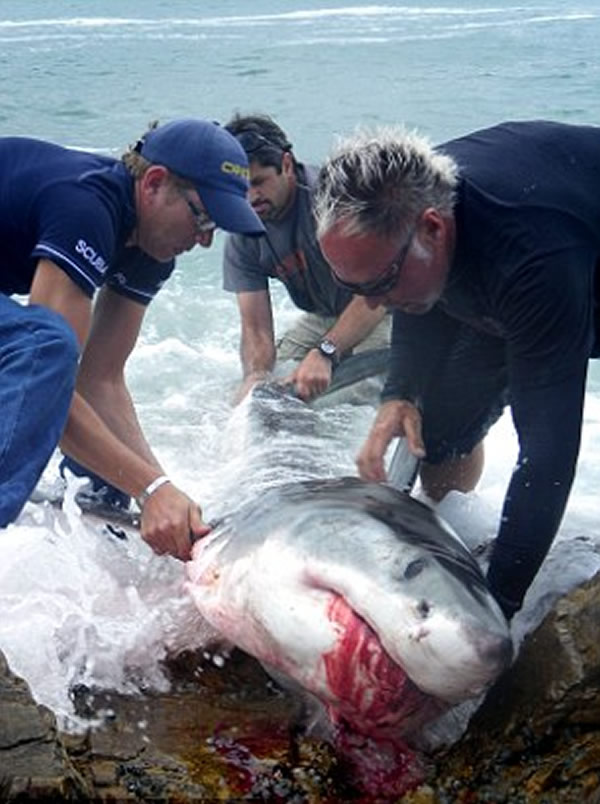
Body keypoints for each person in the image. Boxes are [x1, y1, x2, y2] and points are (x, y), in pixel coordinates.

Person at [313, 120, 600, 620]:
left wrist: (494, 610)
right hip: (504, 269)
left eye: (379, 282)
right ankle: (452, 540)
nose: (373, 304)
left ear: (434, 228)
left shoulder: (530, 257)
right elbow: (417, 293)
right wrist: (400, 392)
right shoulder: (410, 200)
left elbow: (548, 457)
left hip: (562, 257)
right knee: (437, 434)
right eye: (354, 287)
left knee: (543, 441)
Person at [0, 118, 264, 560]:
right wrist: (151, 487)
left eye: (215, 228)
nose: (203, 240)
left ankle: (92, 563)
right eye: (202, 216)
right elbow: (46, 384)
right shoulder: (85, 207)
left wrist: (162, 492)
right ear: (154, 183)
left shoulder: (150, 250)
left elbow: (100, 381)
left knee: (111, 473)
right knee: (44, 347)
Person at [222, 113, 390, 402]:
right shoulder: (243, 231)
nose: (250, 197)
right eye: (240, 187)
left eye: (258, 182)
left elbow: (378, 294)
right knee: (261, 395)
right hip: (325, 317)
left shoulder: (333, 201)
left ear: (287, 165)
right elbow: (256, 328)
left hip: (383, 310)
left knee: (345, 399)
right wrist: (255, 375)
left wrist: (326, 352)